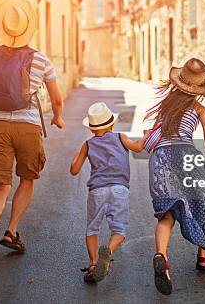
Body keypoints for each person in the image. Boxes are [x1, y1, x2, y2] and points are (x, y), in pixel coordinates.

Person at [0, 0, 65, 268]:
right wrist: (59, 118)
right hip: (28, 127)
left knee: (1, 185)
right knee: (27, 179)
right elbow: (56, 99)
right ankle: (11, 230)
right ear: (29, 29)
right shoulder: (40, 59)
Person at [144, 58, 205, 295]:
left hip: (161, 156)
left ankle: (161, 256)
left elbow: (154, 132)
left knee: (167, 213)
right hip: (185, 155)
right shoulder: (200, 109)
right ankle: (203, 255)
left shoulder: (165, 105)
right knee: (202, 204)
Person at [70, 102, 147, 283]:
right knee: (119, 230)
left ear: (91, 129)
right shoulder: (120, 137)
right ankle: (109, 251)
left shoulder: (87, 144)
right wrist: (146, 137)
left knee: (92, 229)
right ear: (112, 124)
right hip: (120, 189)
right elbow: (138, 148)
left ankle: (93, 263)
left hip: (97, 190)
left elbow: (74, 170)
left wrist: (79, 155)